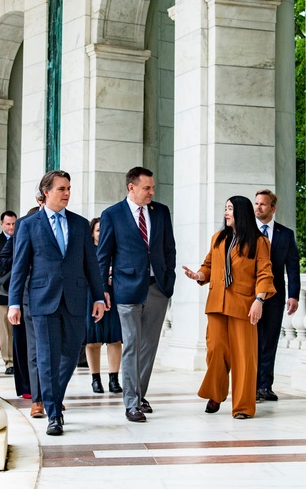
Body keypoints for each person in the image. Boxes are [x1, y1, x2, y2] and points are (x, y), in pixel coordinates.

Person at [8, 171, 107, 436]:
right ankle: (54, 412)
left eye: (69, 188)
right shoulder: (28, 225)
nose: (66, 193)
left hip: (75, 299)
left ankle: (53, 397)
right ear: (46, 192)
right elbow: (19, 267)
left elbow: (91, 264)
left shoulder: (79, 224)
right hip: (42, 301)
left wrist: (99, 296)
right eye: (61, 188)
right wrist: (14, 303)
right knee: (47, 356)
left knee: (71, 354)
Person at [183, 195, 275, 419]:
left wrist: (259, 300)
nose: (225, 213)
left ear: (241, 213)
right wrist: (199, 275)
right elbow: (208, 265)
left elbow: (264, 273)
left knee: (244, 357)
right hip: (216, 304)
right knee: (215, 351)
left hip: (243, 306)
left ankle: (243, 407)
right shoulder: (218, 239)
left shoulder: (259, 241)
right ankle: (216, 393)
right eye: (225, 208)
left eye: (230, 209)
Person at [97, 166, 177, 423]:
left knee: (148, 347)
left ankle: (140, 394)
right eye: (147, 188)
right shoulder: (112, 215)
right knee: (131, 345)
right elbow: (103, 256)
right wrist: (102, 291)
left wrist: (169, 281)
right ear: (131, 187)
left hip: (158, 288)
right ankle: (131, 402)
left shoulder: (161, 212)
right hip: (127, 288)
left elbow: (169, 249)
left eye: (152, 187)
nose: (151, 192)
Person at [0, 202, 43, 414]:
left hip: (43, 296)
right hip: (23, 295)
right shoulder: (18, 236)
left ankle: (46, 391)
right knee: (24, 344)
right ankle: (29, 388)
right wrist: (19, 258)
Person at [252, 189, 300, 402]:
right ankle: (249, 385)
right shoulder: (246, 232)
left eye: (263, 204)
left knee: (269, 341)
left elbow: (293, 266)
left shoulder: (285, 234)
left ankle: (264, 386)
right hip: (249, 297)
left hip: (276, 296)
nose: (258, 208)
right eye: (256, 204)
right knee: (251, 341)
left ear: (273, 208)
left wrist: (294, 295)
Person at [84, 216, 123, 395]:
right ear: (92, 232)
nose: (102, 233)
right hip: (92, 298)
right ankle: (95, 379)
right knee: (94, 340)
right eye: (99, 230)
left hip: (114, 297)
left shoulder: (115, 250)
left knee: (115, 338)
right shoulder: (86, 250)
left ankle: (114, 379)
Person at [0, 210, 17, 374]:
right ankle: (9, 362)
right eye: (8, 224)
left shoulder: (21, 238)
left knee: (17, 330)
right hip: (3, 292)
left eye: (14, 223)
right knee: (6, 329)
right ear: (2, 224)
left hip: (20, 290)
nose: (11, 227)